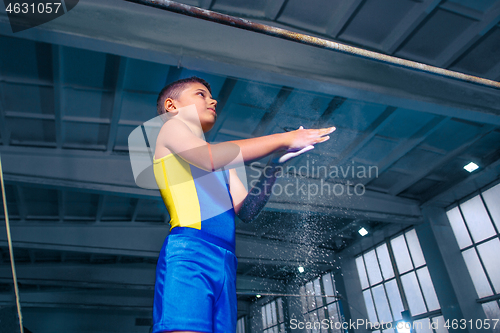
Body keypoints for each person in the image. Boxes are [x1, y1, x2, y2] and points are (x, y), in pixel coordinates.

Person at [152, 76, 335, 333]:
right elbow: (209, 157)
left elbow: (247, 210)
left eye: (211, 95)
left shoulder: (225, 163)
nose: (212, 100)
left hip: (226, 261)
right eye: (200, 94)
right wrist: (285, 138)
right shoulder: (170, 130)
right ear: (172, 107)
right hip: (190, 252)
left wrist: (275, 166)